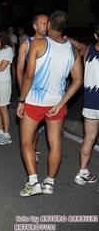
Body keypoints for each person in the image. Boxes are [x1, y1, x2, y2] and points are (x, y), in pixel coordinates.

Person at [17, 10, 83, 196]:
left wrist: (21, 100)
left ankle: (33, 182)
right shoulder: (72, 49)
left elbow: (29, 76)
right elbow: (78, 80)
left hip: (34, 102)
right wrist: (62, 103)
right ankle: (49, 183)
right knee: (55, 143)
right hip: (56, 104)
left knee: (26, 141)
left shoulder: (38, 43)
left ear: (50, 25)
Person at [16, 13, 49, 163]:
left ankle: (33, 148)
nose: (46, 26)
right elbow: (19, 69)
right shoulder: (26, 44)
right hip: (31, 92)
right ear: (35, 26)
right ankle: (32, 150)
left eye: (48, 23)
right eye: (43, 23)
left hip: (49, 93)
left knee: (41, 127)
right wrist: (23, 92)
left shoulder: (52, 43)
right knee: (30, 127)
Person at [71, 23, 99, 186]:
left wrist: (67, 38)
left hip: (90, 103)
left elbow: (79, 48)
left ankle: (82, 173)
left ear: (95, 36)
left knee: (88, 138)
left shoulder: (88, 50)